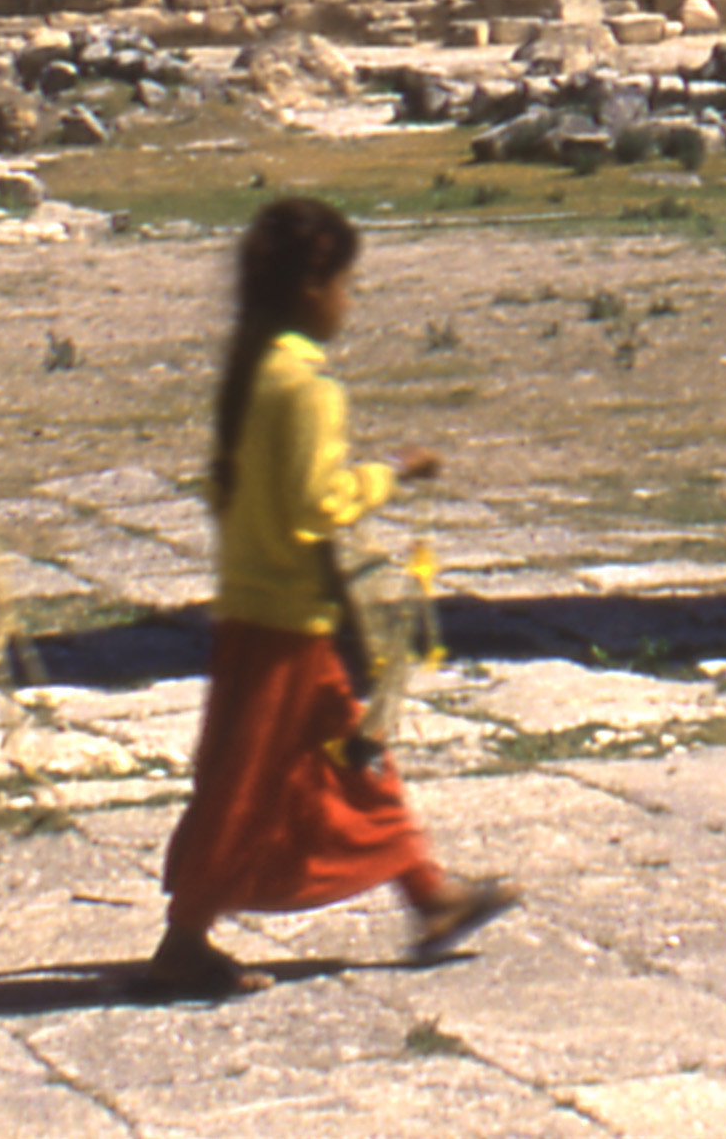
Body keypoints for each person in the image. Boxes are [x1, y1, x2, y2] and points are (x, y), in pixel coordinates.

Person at [144, 195, 512, 995]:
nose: (349, 299)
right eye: (347, 282)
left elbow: (226, 493)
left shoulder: (251, 373)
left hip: (256, 611)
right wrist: (390, 474)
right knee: (244, 787)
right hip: (284, 625)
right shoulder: (308, 388)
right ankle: (182, 942)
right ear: (314, 286)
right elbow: (317, 503)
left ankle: (430, 895)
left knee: (359, 760)